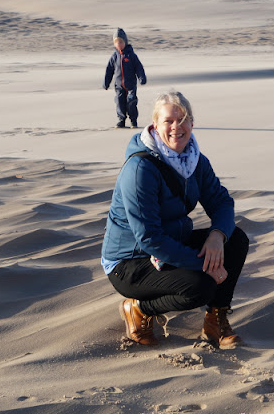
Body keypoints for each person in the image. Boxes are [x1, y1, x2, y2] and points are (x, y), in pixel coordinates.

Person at [101, 91, 249, 348]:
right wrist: (205, 265)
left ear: (192, 123)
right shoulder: (140, 169)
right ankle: (139, 309)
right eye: (169, 121)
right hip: (129, 261)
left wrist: (217, 236)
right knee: (200, 287)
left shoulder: (194, 161)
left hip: (168, 244)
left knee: (235, 239)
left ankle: (216, 321)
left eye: (183, 119)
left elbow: (222, 202)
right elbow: (148, 238)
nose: (176, 127)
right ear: (155, 125)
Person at [103, 28, 147, 128]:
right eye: (117, 42)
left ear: (125, 42)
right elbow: (109, 70)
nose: (119, 44)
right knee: (119, 101)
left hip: (130, 85)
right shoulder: (114, 57)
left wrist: (142, 78)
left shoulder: (131, 55)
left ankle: (133, 121)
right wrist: (106, 82)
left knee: (131, 102)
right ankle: (121, 120)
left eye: (121, 42)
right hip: (119, 85)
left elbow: (139, 67)